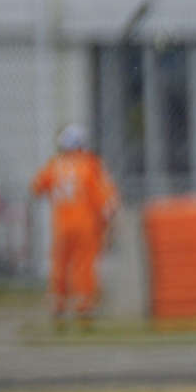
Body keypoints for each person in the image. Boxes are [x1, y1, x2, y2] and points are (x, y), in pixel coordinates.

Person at [30, 124, 119, 322]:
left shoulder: (55, 165)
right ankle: (84, 305)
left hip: (61, 225)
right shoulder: (90, 164)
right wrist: (110, 221)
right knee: (84, 265)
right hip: (85, 224)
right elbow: (104, 197)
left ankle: (58, 304)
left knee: (60, 264)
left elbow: (37, 187)